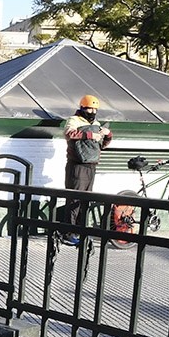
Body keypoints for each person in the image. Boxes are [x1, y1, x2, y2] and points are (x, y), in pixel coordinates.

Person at [63, 94, 112, 245]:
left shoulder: (96, 123)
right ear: (83, 107)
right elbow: (68, 134)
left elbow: (101, 145)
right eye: (90, 108)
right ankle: (67, 232)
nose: (92, 111)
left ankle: (81, 230)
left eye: (95, 109)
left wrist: (107, 134)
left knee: (85, 200)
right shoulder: (74, 120)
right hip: (77, 165)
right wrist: (90, 134)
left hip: (91, 165)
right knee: (74, 199)